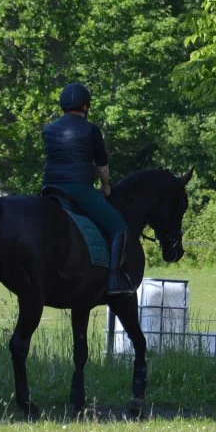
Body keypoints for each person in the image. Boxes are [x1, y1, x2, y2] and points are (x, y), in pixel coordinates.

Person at [41, 82, 133, 295]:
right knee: (119, 226)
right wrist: (106, 186)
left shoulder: (48, 130)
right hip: (78, 189)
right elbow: (101, 165)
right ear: (85, 105)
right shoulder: (91, 130)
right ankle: (114, 279)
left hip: (50, 188)